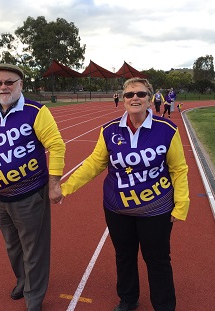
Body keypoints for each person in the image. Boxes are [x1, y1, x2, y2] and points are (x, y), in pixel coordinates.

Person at [60, 77, 190, 311]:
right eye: (129, 95)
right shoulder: (109, 130)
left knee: (157, 259)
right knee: (124, 256)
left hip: (156, 208)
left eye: (140, 94)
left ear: (150, 99)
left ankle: (164, 305)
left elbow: (178, 169)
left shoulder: (167, 129)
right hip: (117, 208)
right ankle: (128, 299)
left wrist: (181, 204)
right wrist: (65, 188)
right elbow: (94, 164)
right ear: (123, 99)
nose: (135, 98)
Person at [0, 63, 65, 311]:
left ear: (20, 84)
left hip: (31, 193)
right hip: (0, 195)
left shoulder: (36, 111)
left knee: (34, 248)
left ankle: (34, 296)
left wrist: (54, 184)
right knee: (13, 245)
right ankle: (23, 281)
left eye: (9, 82)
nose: (3, 87)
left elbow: (56, 146)